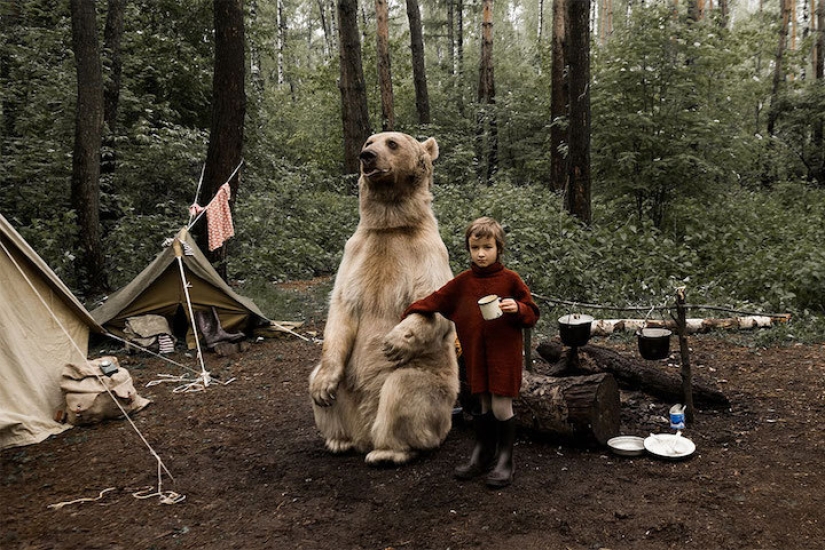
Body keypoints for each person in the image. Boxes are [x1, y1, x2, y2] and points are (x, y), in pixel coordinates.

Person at [401, 216, 539, 488]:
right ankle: (483, 454)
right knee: (483, 404)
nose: (481, 254)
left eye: (487, 247)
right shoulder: (463, 283)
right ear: (468, 249)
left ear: (498, 247)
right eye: (475, 248)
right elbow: (435, 300)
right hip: (477, 356)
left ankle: (505, 459)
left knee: (501, 405)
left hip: (503, 356)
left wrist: (518, 308)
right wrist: (409, 313)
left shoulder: (511, 280)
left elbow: (532, 313)